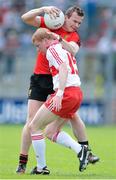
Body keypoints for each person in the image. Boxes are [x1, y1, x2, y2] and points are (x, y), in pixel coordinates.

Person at [16, 6, 99, 174]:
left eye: (80, 22)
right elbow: (25, 18)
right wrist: (42, 9)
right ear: (66, 17)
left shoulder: (71, 37)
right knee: (32, 122)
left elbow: (73, 51)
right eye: (75, 21)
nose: (77, 25)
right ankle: (23, 162)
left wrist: (59, 39)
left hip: (61, 81)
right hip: (43, 78)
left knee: (67, 118)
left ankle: (84, 152)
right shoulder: (50, 24)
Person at [30, 27, 90, 173]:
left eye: (38, 46)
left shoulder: (52, 49)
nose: (38, 50)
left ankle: (41, 168)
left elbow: (63, 67)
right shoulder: (62, 48)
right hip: (76, 93)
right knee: (50, 131)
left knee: (34, 126)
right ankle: (81, 151)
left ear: (45, 41)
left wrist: (60, 93)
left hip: (67, 93)